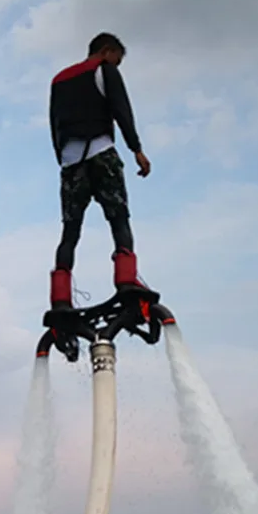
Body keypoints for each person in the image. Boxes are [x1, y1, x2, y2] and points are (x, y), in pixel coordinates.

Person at [48, 32, 151, 309]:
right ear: (106, 51)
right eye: (116, 61)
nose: (116, 66)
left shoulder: (59, 80)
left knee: (70, 232)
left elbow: (54, 123)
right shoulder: (104, 71)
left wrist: (64, 159)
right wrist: (136, 149)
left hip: (71, 161)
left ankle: (60, 298)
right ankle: (126, 280)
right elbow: (121, 111)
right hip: (101, 152)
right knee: (119, 218)